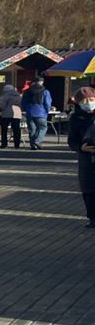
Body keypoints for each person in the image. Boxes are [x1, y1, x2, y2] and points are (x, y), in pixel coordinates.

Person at [68, 87, 95, 227]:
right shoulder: (76, 117)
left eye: (91, 99)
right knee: (88, 190)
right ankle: (92, 218)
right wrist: (80, 148)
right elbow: (71, 140)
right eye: (85, 101)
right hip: (85, 158)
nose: (89, 103)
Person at [22, 78, 52, 150]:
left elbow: (23, 102)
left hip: (29, 112)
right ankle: (37, 141)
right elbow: (47, 103)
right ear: (41, 82)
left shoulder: (27, 91)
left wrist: (27, 109)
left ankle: (33, 145)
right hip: (41, 112)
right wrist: (47, 110)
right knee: (43, 127)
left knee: (32, 129)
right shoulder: (45, 91)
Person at [0, 83, 22, 149]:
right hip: (17, 114)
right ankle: (17, 144)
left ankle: (4, 144)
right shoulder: (18, 95)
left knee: (4, 129)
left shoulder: (6, 96)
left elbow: (3, 106)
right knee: (16, 130)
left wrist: (0, 110)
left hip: (7, 114)